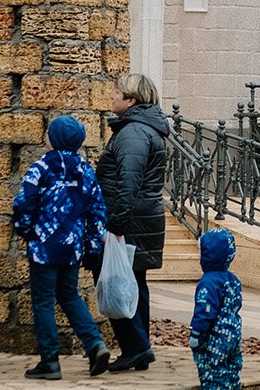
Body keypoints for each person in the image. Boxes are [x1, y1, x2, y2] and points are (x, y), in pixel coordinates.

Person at [14, 115, 112, 380]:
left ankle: (50, 361)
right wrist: (92, 244)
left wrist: (25, 230)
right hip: (72, 247)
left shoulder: (40, 168)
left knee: (44, 301)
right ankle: (94, 344)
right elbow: (97, 211)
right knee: (69, 296)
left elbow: (24, 203)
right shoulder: (85, 170)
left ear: (53, 139)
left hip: (44, 247)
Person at [95, 73, 169, 372]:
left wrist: (115, 226)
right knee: (135, 283)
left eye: (118, 92)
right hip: (142, 218)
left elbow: (128, 183)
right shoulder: (140, 129)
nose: (112, 95)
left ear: (131, 100)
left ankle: (136, 348)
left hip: (132, 221)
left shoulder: (133, 134)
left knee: (120, 283)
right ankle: (139, 347)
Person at [189, 229, 244, 390]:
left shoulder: (208, 282)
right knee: (231, 371)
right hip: (233, 333)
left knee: (213, 374)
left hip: (214, 336)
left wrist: (196, 333)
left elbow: (205, 310)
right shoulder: (233, 280)